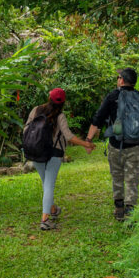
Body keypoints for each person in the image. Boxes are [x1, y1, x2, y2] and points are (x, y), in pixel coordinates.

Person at [24, 88, 95, 231]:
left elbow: (25, 129)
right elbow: (68, 136)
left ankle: (53, 209)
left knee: (46, 184)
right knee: (49, 185)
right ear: (63, 102)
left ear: (49, 97)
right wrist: (86, 144)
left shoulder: (36, 110)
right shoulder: (60, 116)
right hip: (54, 154)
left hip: (36, 151)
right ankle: (45, 220)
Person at [87, 68, 139, 222]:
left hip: (116, 146)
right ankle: (130, 210)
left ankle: (119, 209)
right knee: (132, 178)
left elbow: (98, 118)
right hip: (136, 146)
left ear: (122, 80)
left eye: (118, 77)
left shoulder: (112, 96)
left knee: (117, 176)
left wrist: (89, 140)